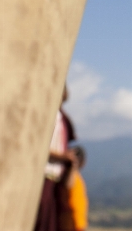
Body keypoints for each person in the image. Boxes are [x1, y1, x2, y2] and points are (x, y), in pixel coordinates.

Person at [34, 85, 78, 231]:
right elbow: (38, 148)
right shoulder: (49, 117)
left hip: (54, 179)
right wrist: (62, 156)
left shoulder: (61, 119)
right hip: (44, 176)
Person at [61, 146, 88, 231]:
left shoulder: (77, 177)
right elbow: (67, 185)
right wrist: (73, 166)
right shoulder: (70, 175)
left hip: (77, 221)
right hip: (71, 221)